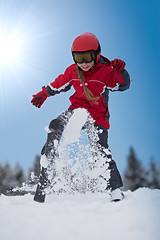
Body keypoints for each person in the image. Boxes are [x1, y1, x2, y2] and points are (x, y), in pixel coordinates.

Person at [31, 32, 131, 203]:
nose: (83, 63)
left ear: (97, 54)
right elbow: (58, 84)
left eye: (87, 57)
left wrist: (120, 71)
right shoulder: (72, 71)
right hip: (76, 112)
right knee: (55, 125)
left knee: (100, 150)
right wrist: (43, 93)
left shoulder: (106, 72)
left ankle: (115, 189)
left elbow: (123, 85)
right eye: (79, 58)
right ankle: (48, 160)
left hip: (97, 117)